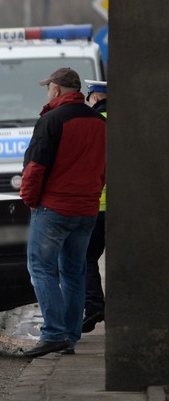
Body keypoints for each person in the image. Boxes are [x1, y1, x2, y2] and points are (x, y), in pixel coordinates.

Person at [20, 67, 106, 358]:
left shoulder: (51, 120)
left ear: (56, 89)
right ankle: (69, 337)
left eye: (48, 88)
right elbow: (104, 168)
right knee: (74, 272)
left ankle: (54, 334)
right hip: (87, 209)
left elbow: (35, 167)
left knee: (41, 268)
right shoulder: (99, 122)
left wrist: (30, 200)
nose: (48, 92)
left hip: (54, 208)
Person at [82, 79, 108, 333]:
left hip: (97, 203)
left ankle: (94, 306)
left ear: (96, 98)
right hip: (127, 208)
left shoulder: (93, 123)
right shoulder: (128, 122)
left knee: (86, 257)